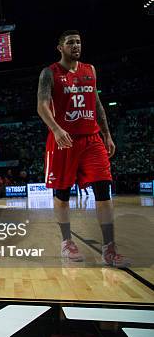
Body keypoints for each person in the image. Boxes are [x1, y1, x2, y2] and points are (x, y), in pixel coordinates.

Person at [36, 30, 127, 267]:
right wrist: (56, 129)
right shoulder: (49, 73)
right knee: (62, 194)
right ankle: (67, 242)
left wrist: (106, 134)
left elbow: (96, 103)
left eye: (78, 42)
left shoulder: (90, 70)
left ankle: (109, 247)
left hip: (92, 138)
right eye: (70, 42)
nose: (76, 45)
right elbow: (42, 106)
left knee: (103, 190)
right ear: (60, 47)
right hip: (64, 140)